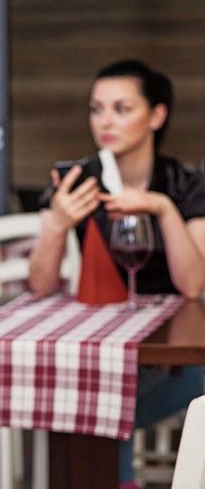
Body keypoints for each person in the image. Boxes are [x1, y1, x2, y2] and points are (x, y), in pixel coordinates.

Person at [27, 59, 205, 488]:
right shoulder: (80, 181)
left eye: (121, 108)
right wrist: (55, 224)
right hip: (100, 349)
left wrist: (162, 208)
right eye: (96, 108)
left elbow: (194, 284)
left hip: (176, 357)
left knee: (93, 412)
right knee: (85, 403)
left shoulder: (185, 184)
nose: (105, 121)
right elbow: (41, 285)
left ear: (156, 115)